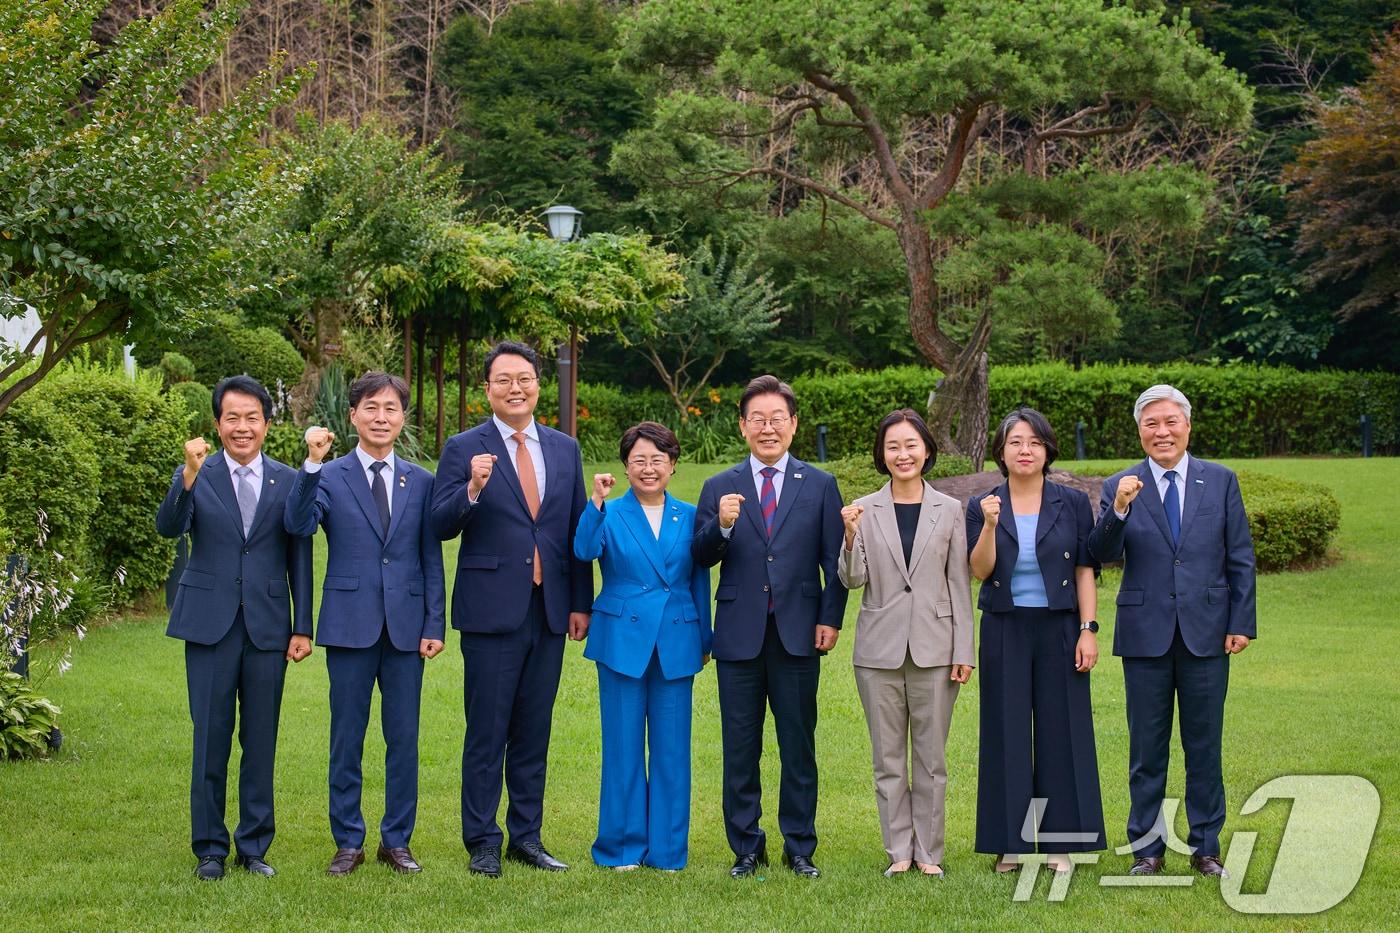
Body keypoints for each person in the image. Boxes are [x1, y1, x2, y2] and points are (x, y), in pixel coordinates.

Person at [430, 341, 593, 877]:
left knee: (533, 728)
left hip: (547, 609)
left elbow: (574, 531)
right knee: (487, 731)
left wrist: (579, 604)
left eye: (524, 378)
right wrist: (472, 488)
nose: (515, 388)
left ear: (538, 385)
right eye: (503, 380)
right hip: (490, 610)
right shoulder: (462, 447)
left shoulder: (564, 448)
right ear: (487, 389)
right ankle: (481, 840)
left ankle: (527, 836)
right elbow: (440, 524)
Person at [1088, 385, 1256, 879]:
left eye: (1170, 422)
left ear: (1187, 425)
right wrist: (1118, 509)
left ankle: (1206, 848)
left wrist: (1240, 622)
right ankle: (1147, 849)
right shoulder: (1121, 484)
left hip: (1208, 631)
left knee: (1204, 744)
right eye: (1150, 424)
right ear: (1139, 431)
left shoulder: (1220, 480)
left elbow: (1239, 556)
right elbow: (1099, 553)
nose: (1162, 432)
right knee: (1147, 747)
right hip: (1145, 635)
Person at [284, 371, 446, 876]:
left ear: (402, 417)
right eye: (371, 408)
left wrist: (435, 622)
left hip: (406, 627)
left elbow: (430, 556)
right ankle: (348, 840)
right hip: (349, 625)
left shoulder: (420, 481)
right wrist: (310, 464)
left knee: (403, 738)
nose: (381, 417)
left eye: (391, 408)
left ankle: (396, 840)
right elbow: (299, 524)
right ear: (352, 416)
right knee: (346, 737)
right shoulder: (329, 475)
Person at [156, 375, 313, 881]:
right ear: (217, 423)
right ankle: (209, 848)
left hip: (268, 627)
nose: (241, 428)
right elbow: (169, 527)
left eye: (252, 418)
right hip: (209, 627)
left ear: (267, 423)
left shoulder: (289, 480)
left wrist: (302, 625)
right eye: (231, 418)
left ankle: (254, 846)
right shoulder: (197, 472)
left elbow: (300, 556)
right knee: (210, 738)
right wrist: (187, 473)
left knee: (260, 740)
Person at [692, 374, 848, 879]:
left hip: (799, 632)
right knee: (741, 745)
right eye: (756, 419)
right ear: (742, 426)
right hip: (738, 635)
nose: (767, 427)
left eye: (776, 418)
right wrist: (723, 525)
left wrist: (830, 619)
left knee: (798, 744)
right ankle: (746, 846)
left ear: (793, 424)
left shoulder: (820, 484)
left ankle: (799, 845)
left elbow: (836, 560)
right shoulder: (720, 487)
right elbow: (699, 556)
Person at [966, 407, 1105, 874]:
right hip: (1005, 627)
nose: (1025, 450)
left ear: (1047, 450)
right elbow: (980, 570)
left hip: (1060, 628)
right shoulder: (984, 504)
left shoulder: (1072, 502)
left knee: (1060, 732)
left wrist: (1088, 630)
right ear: (1001, 452)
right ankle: (1012, 843)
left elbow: (1085, 570)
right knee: (1005, 732)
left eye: (1034, 442)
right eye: (1015, 442)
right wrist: (987, 525)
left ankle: (1059, 844)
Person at [837, 409, 973, 878]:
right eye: (892, 446)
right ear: (882, 454)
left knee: (932, 759)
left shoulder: (951, 510)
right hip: (878, 652)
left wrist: (964, 651)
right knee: (888, 758)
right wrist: (850, 535)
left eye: (911, 445)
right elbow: (853, 580)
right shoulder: (863, 509)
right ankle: (899, 850)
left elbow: (959, 583)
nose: (902, 454)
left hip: (937, 650)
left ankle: (929, 852)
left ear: (927, 450)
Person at [573, 422, 712, 871]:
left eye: (658, 460)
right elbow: (582, 550)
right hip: (621, 641)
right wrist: (594, 502)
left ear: (673, 464)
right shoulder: (608, 512)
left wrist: (704, 638)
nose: (648, 468)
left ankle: (669, 851)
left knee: (673, 751)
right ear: (625, 466)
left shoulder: (691, 515)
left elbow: (698, 579)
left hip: (677, 638)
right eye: (639, 460)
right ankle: (621, 847)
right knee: (623, 747)